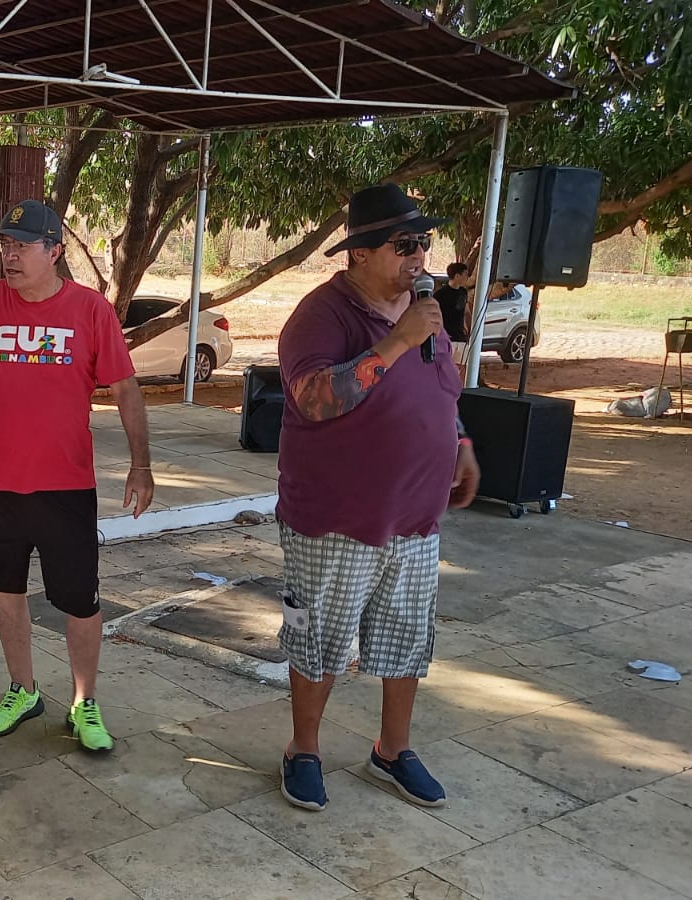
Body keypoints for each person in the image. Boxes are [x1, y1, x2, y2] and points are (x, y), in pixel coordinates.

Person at [274, 183, 480, 812]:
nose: (419, 256)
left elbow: (441, 390)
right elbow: (314, 399)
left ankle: (392, 750)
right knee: (320, 642)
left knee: (406, 638)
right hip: (336, 519)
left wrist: (460, 441)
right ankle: (303, 750)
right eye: (404, 244)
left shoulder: (424, 313)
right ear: (359, 254)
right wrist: (395, 342)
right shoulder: (321, 315)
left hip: (415, 517)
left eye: (424, 242)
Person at [0, 200, 154, 753]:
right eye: (5, 245)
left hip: (65, 486)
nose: (10, 255)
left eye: (22, 246)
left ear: (54, 251)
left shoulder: (91, 310)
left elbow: (125, 388)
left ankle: (84, 700)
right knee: (5, 591)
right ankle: (22, 690)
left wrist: (141, 464)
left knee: (79, 599)